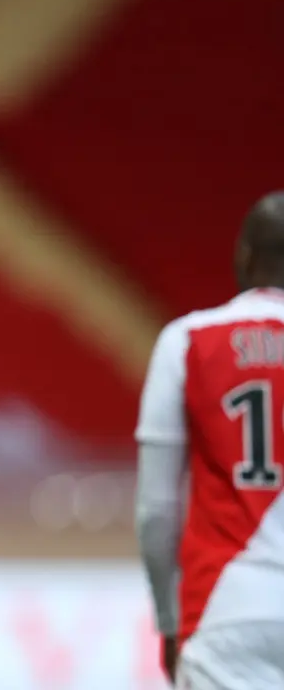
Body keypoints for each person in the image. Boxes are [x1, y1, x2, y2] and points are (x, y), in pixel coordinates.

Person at [135, 192, 284, 688]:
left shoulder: (187, 340)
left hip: (225, 611)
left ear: (244, 255)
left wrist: (169, 622)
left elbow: (156, 511)